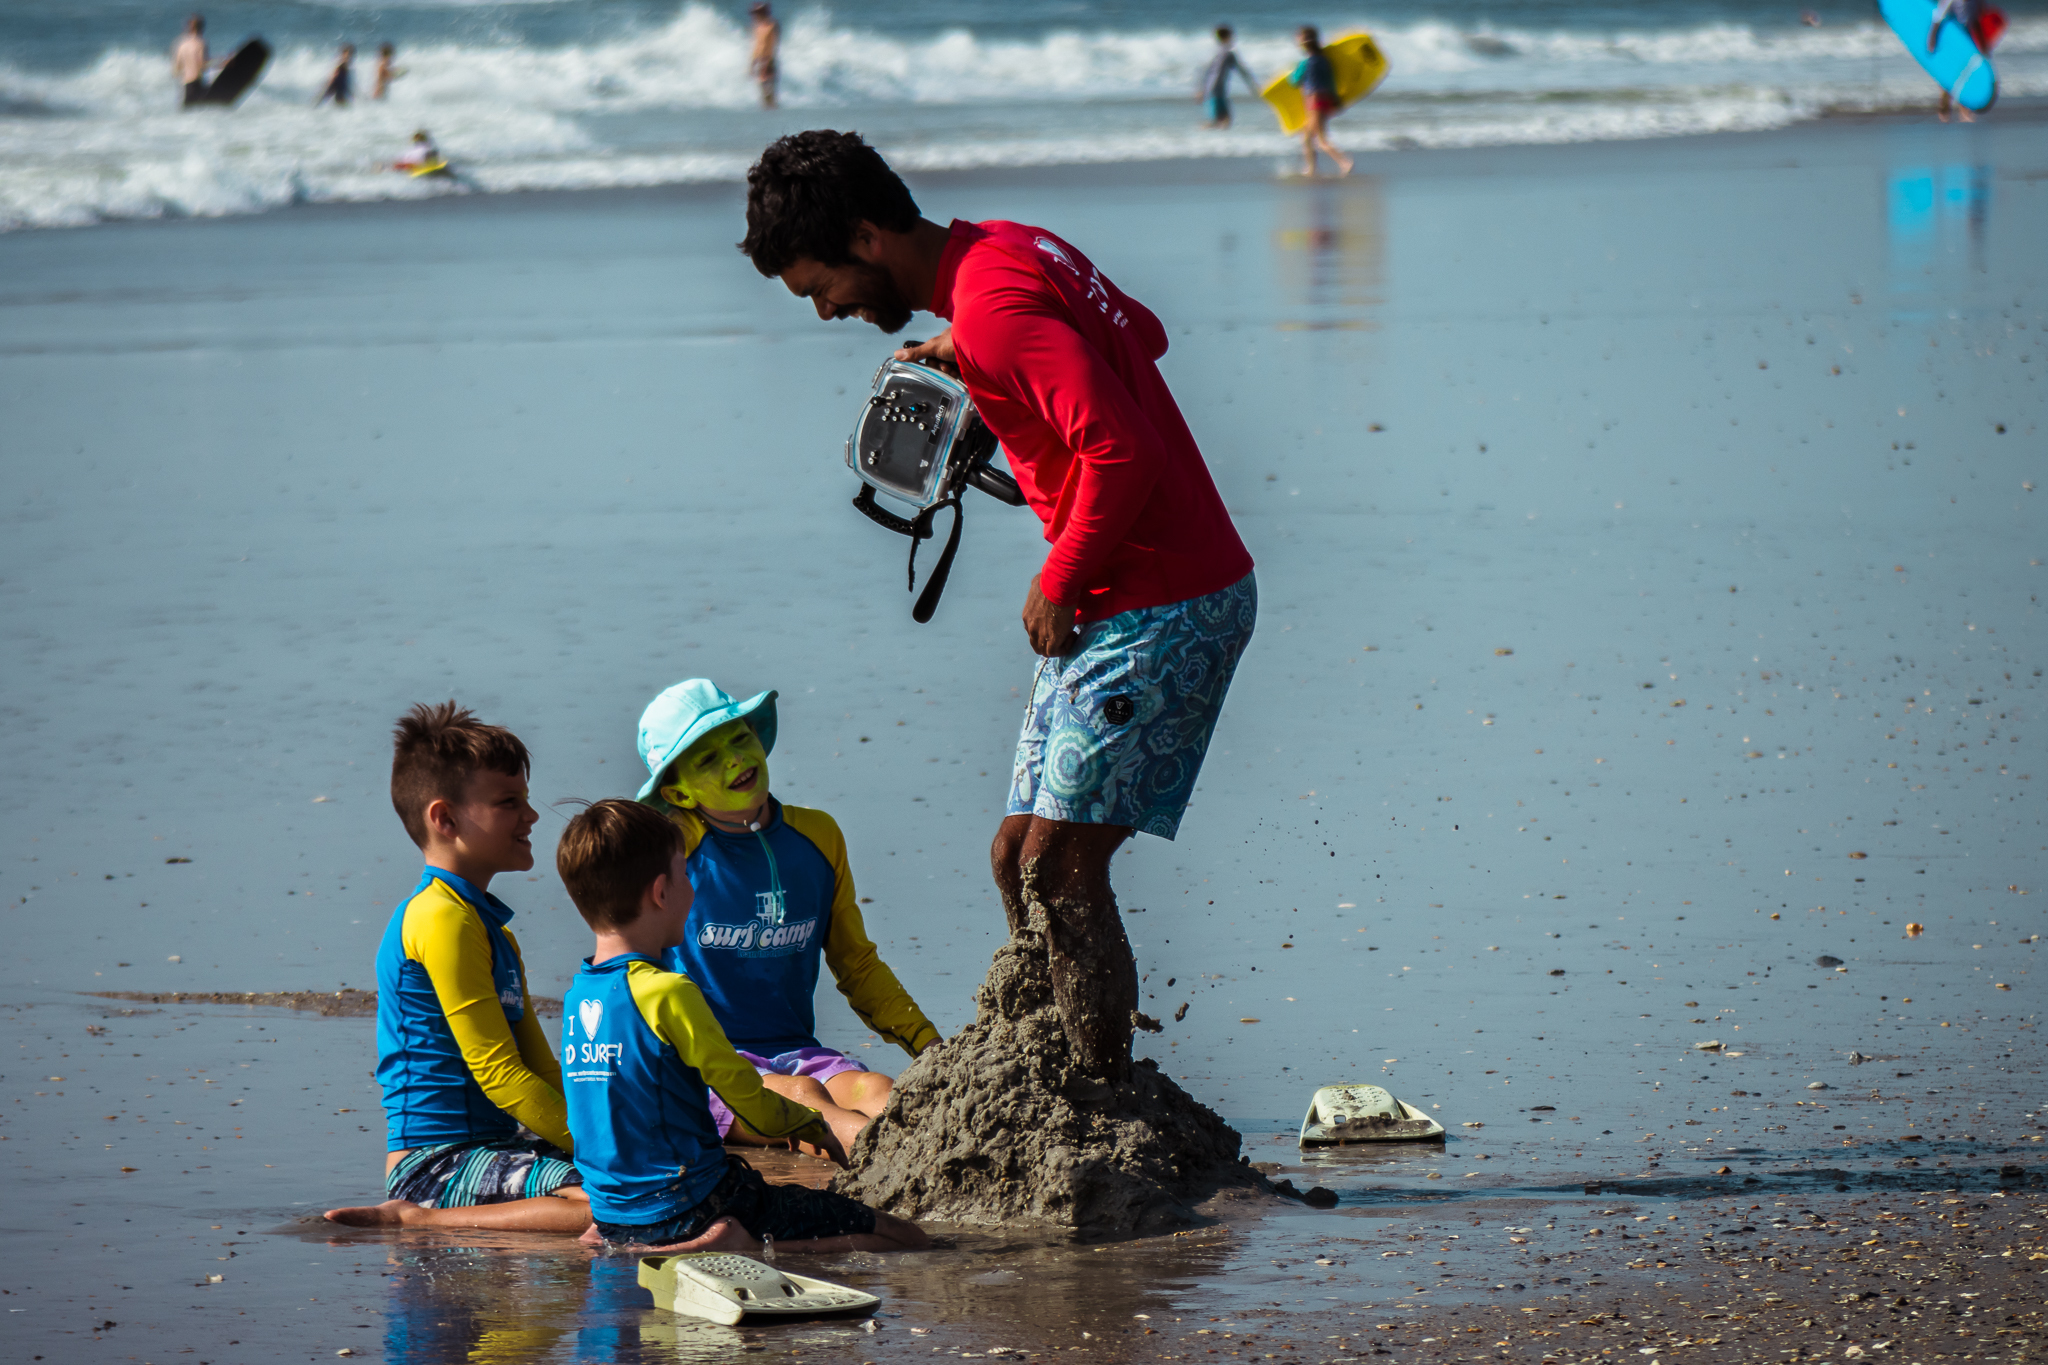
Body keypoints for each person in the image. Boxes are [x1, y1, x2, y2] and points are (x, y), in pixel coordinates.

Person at [739, 131, 1257, 1084]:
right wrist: (973, 356)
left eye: (820, 288)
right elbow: (1140, 330)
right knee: (1015, 853)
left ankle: (1100, 1098)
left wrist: (1058, 576)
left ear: (864, 235)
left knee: (1060, 871)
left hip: (1165, 601)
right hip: (1125, 595)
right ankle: (1046, 1062)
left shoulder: (995, 307)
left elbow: (1124, 452)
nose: (825, 313)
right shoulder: (1009, 246)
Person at [558, 799, 929, 1253]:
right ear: (660, 893)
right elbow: (749, 1100)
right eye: (684, 877)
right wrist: (809, 1124)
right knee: (897, 1234)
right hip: (698, 1204)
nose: (692, 890)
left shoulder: (579, 999)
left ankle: (688, 1238)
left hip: (617, 1213)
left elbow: (587, 1120)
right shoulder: (668, 992)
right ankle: (732, 1240)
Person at [632, 678, 939, 1156]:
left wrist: (930, 1046)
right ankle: (902, 1171)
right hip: (705, 1064)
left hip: (797, 1050)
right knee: (803, 1100)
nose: (734, 759)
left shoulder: (817, 837)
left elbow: (857, 966)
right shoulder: (674, 853)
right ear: (677, 795)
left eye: (739, 739)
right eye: (708, 759)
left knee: (878, 1089)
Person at [324, 703, 592, 1233]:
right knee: (609, 1205)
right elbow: (500, 1074)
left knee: (650, 1181)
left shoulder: (493, 929)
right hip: (433, 1163)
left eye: (527, 800)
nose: (532, 817)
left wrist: (603, 1134)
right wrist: (596, 1145)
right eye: (509, 802)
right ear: (444, 818)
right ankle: (419, 1220)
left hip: (493, 1148)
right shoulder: (438, 918)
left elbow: (539, 1066)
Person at [1288, 26, 1352, 176]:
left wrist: (1293, 70)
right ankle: (1311, 168)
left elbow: (1294, 81)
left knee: (1322, 139)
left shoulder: (1305, 63)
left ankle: (1345, 162)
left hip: (1313, 101)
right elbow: (1331, 82)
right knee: (1306, 136)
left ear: (1302, 44)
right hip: (1326, 100)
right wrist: (1336, 99)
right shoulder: (1325, 61)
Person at [1201, 25, 1256, 129]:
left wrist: (1201, 89)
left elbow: (1205, 71)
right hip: (1215, 91)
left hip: (1215, 90)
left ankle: (1217, 142)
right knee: (1218, 121)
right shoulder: (1227, 54)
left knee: (1223, 121)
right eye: (1231, 37)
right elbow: (1242, 70)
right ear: (1226, 38)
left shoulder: (1215, 53)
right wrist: (1252, 84)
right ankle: (1201, 140)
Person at [172, 15, 223, 108]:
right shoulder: (201, 43)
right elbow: (203, 64)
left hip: (186, 90)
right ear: (201, 28)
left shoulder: (181, 45)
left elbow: (176, 70)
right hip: (197, 87)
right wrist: (223, 63)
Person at [750, 3, 781, 109]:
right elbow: (757, 46)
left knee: (768, 88)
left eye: (757, 13)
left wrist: (767, 62)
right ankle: (767, 109)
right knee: (762, 88)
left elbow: (773, 45)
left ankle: (771, 109)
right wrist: (752, 62)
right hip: (759, 59)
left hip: (768, 59)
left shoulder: (771, 26)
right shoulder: (758, 27)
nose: (755, 16)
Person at [317, 43, 355, 107]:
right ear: (342, 55)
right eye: (347, 56)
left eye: (350, 56)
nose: (349, 58)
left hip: (342, 99)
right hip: (339, 98)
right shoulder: (339, 69)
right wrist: (321, 99)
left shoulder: (346, 69)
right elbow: (331, 84)